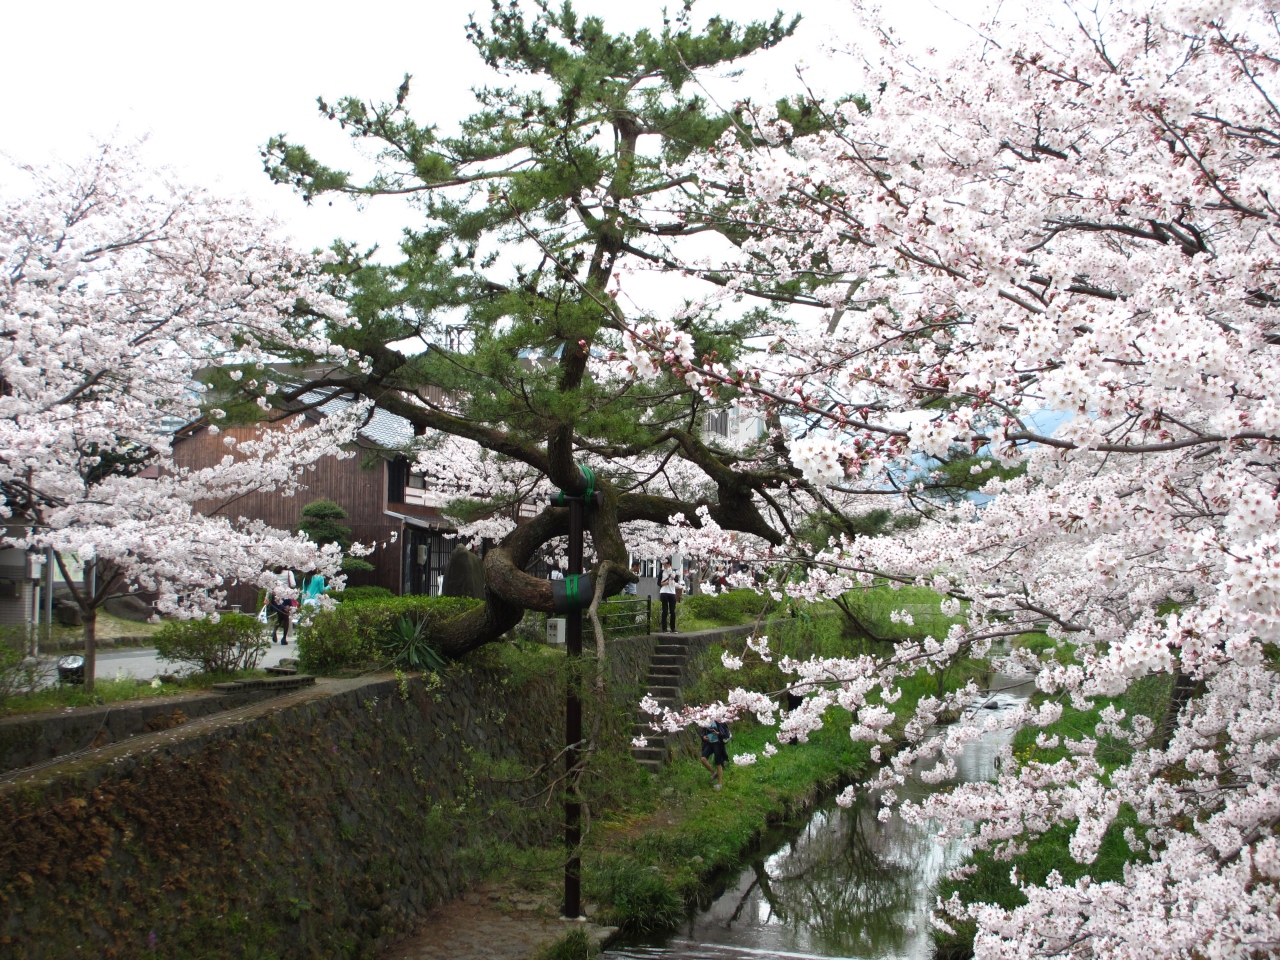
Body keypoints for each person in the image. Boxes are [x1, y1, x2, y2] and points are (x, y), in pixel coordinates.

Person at [699, 719, 730, 790]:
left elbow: (726, 733)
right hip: (709, 743)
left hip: (718, 744)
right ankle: (714, 773)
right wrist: (703, 737)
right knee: (703, 759)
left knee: (718, 763)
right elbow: (703, 733)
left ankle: (719, 784)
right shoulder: (706, 722)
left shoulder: (720, 722)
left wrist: (718, 733)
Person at [269, 566, 296, 645]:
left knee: (279, 616)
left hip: (277, 597)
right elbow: (293, 584)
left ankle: (275, 630)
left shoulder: (274, 573)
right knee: (286, 618)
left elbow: (270, 586)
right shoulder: (289, 573)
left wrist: (267, 597)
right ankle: (284, 638)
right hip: (286, 596)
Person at [658, 559, 681, 632]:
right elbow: (658, 583)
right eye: (664, 564)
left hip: (672, 592)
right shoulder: (662, 572)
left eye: (666, 564)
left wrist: (672, 576)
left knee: (672, 611)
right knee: (665, 610)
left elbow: (677, 582)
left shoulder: (674, 572)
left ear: (669, 564)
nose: (665, 566)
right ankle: (664, 628)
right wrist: (665, 583)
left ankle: (673, 628)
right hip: (664, 592)